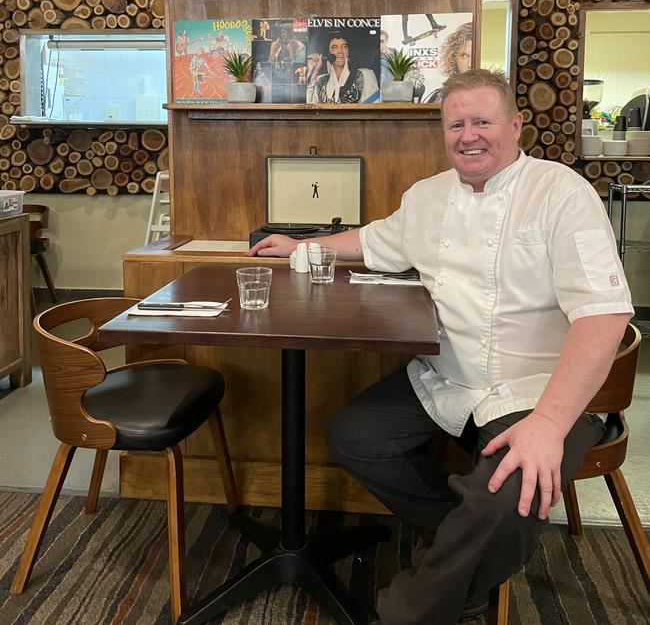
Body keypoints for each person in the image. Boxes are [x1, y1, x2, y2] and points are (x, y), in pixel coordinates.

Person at [248, 68, 633, 625]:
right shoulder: (427, 196)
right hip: (447, 377)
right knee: (355, 436)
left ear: (516, 126)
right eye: (456, 124)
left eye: (483, 121)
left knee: (507, 492)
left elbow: (604, 313)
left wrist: (549, 426)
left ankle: (411, 609)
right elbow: (373, 240)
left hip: (541, 389)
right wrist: (301, 246)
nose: (468, 135)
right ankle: (470, 537)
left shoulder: (561, 192)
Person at [306, 33, 379, 104]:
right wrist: (315, 70)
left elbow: (373, 107)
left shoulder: (365, 75)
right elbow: (309, 108)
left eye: (344, 47)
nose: (340, 51)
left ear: (348, 51)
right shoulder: (320, 81)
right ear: (328, 53)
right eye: (335, 47)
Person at [427, 20, 474, 103]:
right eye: (464, 56)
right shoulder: (440, 97)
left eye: (474, 56)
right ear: (454, 57)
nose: (470, 64)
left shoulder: (491, 96)